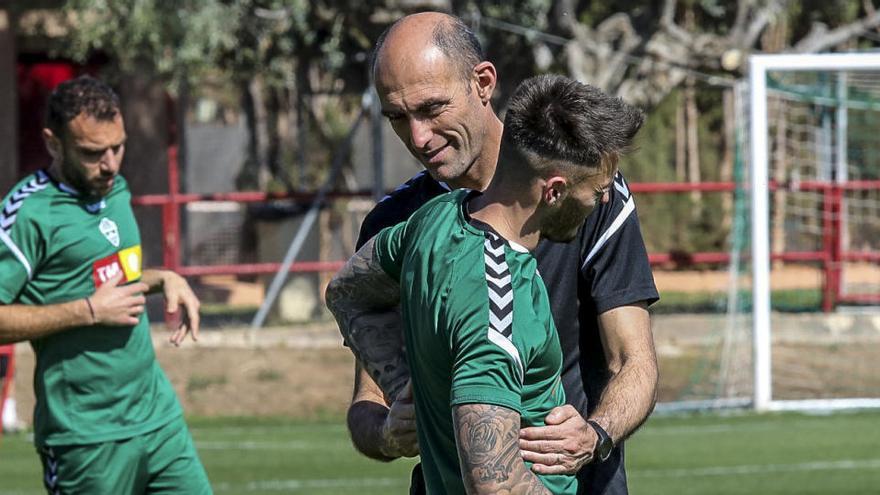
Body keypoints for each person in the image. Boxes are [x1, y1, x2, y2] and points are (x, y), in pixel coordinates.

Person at [345, 12, 659, 495]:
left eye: (432, 108)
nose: (418, 137)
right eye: (397, 118)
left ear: (483, 82)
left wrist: (593, 436)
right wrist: (390, 427)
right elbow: (366, 389)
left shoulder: (590, 191)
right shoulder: (402, 221)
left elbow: (632, 362)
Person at [0, 75, 211, 494]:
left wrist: (164, 279)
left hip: (157, 419)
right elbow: (92, 300)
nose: (111, 163)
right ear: (53, 143)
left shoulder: (114, 189)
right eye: (93, 152)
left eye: (118, 147)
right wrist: (89, 311)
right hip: (84, 438)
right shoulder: (27, 213)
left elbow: (111, 279)